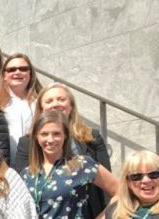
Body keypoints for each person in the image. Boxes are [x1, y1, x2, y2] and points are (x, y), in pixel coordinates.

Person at [13, 83, 112, 218]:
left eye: (61, 99)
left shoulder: (86, 155)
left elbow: (113, 189)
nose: (55, 104)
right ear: (41, 109)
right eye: (49, 101)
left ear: (71, 105)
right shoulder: (27, 163)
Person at [21, 111, 119, 219]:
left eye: (56, 134)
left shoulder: (82, 164)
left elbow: (121, 192)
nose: (50, 139)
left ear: (65, 135)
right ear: (36, 137)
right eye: (44, 134)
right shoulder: (27, 174)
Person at [105, 151, 159, 219]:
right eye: (136, 176)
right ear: (127, 182)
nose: (146, 180)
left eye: (154, 174)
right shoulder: (114, 210)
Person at [0, 54, 42, 164]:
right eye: (11, 70)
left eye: (23, 69)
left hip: (34, 163)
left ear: (30, 74)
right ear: (4, 75)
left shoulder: (40, 102)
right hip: (2, 164)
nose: (17, 72)